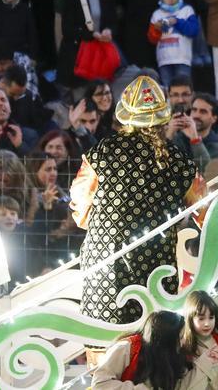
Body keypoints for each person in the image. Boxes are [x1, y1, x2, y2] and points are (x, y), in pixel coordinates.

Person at [71, 77, 203, 324]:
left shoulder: (101, 151)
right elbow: (202, 205)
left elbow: (80, 203)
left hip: (105, 259)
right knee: (154, 335)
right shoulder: (178, 161)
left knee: (104, 338)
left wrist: (107, 225)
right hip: (156, 260)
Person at [58, 0, 119, 89]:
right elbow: (66, 29)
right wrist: (91, 35)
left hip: (102, 50)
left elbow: (113, 22)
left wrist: (108, 31)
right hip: (78, 52)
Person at [91, 310, 190, 390]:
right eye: (180, 337)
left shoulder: (171, 356)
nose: (183, 342)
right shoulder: (126, 348)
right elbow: (99, 384)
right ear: (166, 342)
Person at [148, 0, 200, 86]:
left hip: (182, 58)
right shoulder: (157, 14)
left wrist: (178, 22)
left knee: (184, 86)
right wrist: (156, 29)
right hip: (164, 59)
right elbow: (152, 39)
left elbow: (193, 31)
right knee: (167, 88)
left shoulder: (187, 10)